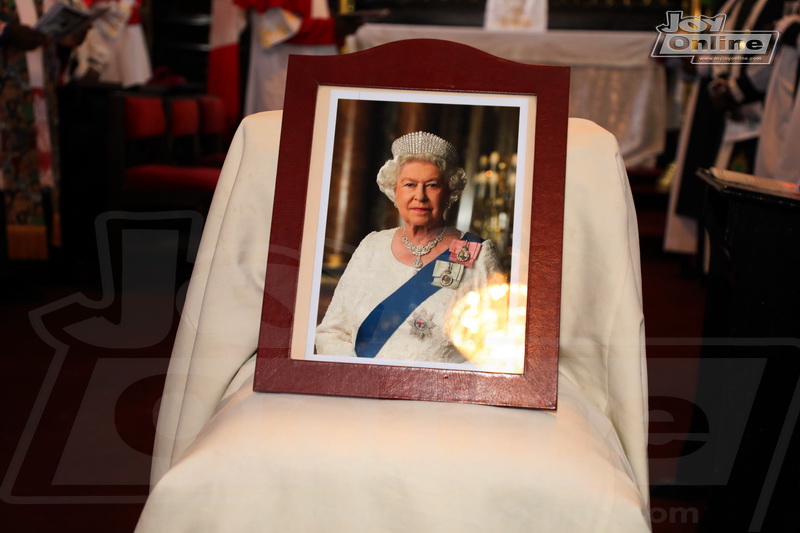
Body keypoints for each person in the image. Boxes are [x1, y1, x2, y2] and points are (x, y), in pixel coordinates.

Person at [315, 131, 501, 364]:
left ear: (449, 192)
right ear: (395, 191)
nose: (420, 196)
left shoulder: (475, 252)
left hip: (438, 395)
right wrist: (359, 377)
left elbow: (493, 348)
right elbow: (332, 331)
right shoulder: (372, 246)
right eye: (410, 185)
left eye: (432, 185)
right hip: (363, 391)